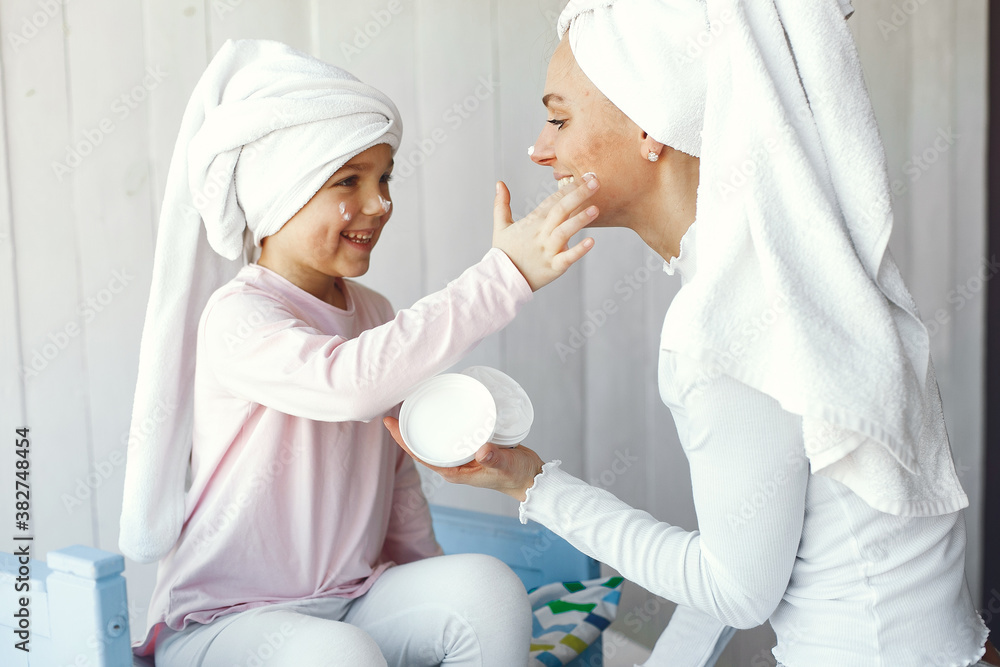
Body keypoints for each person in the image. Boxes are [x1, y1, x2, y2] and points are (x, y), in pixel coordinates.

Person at [384, 1, 1000, 665]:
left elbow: (734, 593)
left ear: (650, 125)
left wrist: (531, 483)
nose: (540, 149)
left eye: (559, 118)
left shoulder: (724, 322)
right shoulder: (805, 269)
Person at [117, 39, 600, 666]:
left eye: (384, 177)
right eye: (349, 180)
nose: (380, 203)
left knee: (487, 591)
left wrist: (429, 579)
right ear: (278, 190)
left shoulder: (373, 312)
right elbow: (349, 385)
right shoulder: (238, 316)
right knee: (337, 655)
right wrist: (502, 276)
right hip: (227, 622)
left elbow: (395, 470)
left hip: (351, 597)